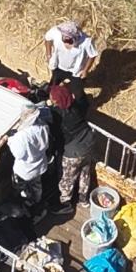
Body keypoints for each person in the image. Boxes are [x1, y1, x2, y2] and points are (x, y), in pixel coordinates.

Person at [49, 82, 96, 214]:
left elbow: (55, 134)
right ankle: (83, 200)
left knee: (67, 178)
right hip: (88, 143)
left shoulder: (58, 115)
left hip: (73, 151)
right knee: (84, 173)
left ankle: (65, 204)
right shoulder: (78, 106)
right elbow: (82, 97)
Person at [6, 106, 50, 222]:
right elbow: (45, 145)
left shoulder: (21, 136)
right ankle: (37, 209)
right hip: (39, 166)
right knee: (36, 190)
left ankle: (25, 213)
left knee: (21, 192)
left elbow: (18, 154)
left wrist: (10, 139)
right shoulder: (43, 126)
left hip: (24, 171)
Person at [43, 20, 98, 92]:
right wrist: (48, 54)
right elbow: (47, 38)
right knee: (52, 87)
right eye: (64, 38)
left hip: (75, 71)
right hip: (59, 67)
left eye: (69, 40)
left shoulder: (86, 41)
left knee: (78, 93)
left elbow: (92, 55)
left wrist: (85, 70)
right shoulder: (56, 32)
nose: (66, 41)